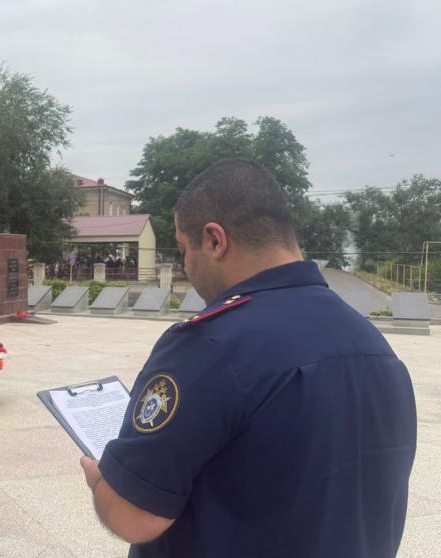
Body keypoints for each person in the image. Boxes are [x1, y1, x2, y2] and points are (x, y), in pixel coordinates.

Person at [80, 159, 417, 557]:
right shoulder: (375, 347)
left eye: (185, 250)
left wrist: (102, 481)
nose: (186, 266)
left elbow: (135, 515)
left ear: (215, 240)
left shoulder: (210, 346)